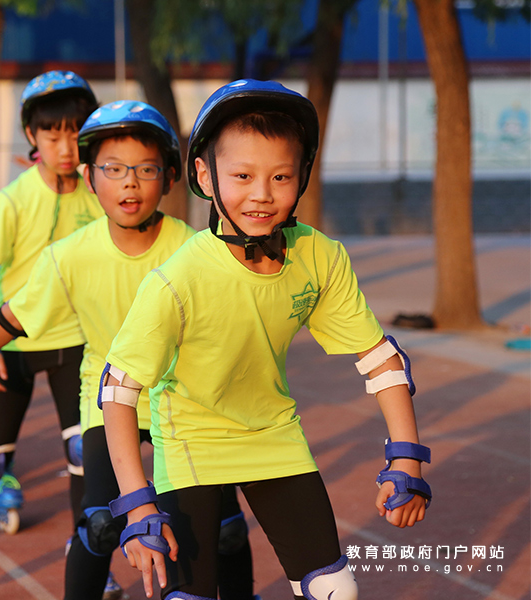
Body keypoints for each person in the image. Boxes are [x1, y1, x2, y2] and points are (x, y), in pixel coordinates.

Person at [99, 80, 432, 600]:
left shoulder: (319, 257)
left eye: (280, 176)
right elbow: (118, 391)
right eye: (242, 175)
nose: (261, 193)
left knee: (334, 589)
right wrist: (137, 504)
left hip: (274, 435)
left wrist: (405, 457)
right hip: (192, 442)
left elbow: (379, 359)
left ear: (302, 177)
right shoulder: (177, 281)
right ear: (205, 176)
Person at [0, 100, 258, 600]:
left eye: (146, 169)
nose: (130, 183)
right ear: (89, 178)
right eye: (113, 169)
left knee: (225, 529)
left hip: (185, 405)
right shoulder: (69, 255)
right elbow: (12, 318)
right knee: (101, 524)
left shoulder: (195, 249)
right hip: (107, 400)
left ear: (170, 177)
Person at [0, 71, 100, 546]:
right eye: (53, 135)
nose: (65, 148)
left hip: (76, 341)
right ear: (32, 135)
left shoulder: (100, 193)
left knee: (85, 452)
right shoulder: (13, 199)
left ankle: (88, 558)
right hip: (13, 340)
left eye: (75, 133)